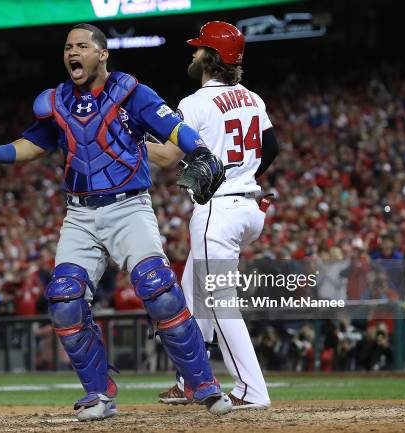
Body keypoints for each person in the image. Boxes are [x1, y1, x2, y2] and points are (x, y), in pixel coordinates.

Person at [0, 23, 230, 420]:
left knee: (159, 290)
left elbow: (174, 128)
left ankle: (204, 384)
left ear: (102, 54)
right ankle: (99, 395)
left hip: (128, 207)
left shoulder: (131, 93)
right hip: (80, 214)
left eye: (82, 46)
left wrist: (201, 150)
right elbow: (35, 143)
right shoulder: (57, 101)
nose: (72, 53)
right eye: (68, 47)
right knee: (65, 299)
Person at [147, 21, 279, 409]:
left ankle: (252, 390)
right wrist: (244, 178)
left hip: (218, 212)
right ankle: (190, 381)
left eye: (198, 48)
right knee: (192, 293)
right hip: (250, 208)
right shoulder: (253, 98)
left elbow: (170, 156)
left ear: (211, 57)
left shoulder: (195, 102)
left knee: (219, 300)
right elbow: (271, 147)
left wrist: (132, 142)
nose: (193, 53)